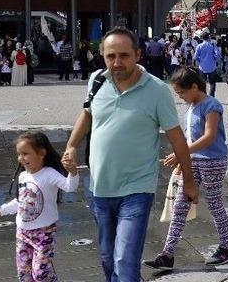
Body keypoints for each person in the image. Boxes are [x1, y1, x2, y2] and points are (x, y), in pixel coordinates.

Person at [62, 27, 198, 282]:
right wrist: (71, 145)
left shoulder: (156, 90)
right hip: (100, 187)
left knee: (125, 261)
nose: (117, 62)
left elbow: (177, 137)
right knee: (107, 258)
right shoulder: (97, 80)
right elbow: (88, 114)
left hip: (137, 188)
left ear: (138, 54)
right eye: (110, 56)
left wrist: (189, 180)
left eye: (124, 55)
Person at [144, 67, 228, 270]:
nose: (181, 97)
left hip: (212, 161)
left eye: (182, 92)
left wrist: (181, 153)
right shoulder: (192, 106)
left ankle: (226, 246)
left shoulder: (211, 105)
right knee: (179, 206)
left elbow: (209, 137)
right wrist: (182, 161)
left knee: (214, 204)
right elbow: (190, 137)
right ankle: (167, 254)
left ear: (195, 87)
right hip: (193, 161)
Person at [0, 132, 79, 281]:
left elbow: (70, 187)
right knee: (24, 273)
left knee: (41, 274)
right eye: (19, 154)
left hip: (44, 233)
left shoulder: (49, 174)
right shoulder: (23, 176)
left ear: (41, 153)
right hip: (22, 233)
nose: (20, 158)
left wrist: (73, 172)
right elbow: (20, 202)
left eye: (25, 154)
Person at [194, 32, 220, 96]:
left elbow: (195, 57)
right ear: (209, 37)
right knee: (212, 83)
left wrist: (200, 60)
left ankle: (203, 96)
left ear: (202, 38)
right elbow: (217, 54)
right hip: (212, 67)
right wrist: (215, 60)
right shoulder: (212, 45)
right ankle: (211, 96)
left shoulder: (199, 46)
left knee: (202, 83)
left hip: (202, 67)